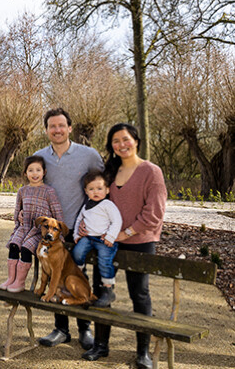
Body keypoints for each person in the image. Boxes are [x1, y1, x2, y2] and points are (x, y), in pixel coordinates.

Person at [81, 123, 167, 369]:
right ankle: (101, 344)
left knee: (139, 294)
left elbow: (154, 214)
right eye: (115, 141)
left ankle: (143, 353)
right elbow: (96, 203)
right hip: (107, 243)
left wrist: (125, 233)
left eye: (125, 139)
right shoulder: (109, 173)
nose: (121, 145)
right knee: (101, 291)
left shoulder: (151, 172)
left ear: (136, 141)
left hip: (140, 242)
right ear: (112, 147)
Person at [33, 108, 104, 350]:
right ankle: (61, 329)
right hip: (53, 234)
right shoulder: (39, 158)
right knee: (56, 276)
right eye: (52, 126)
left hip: (80, 230)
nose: (57, 130)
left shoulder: (89, 155)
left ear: (70, 128)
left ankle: (85, 329)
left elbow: (103, 187)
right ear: (46, 130)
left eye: (61, 125)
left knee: (78, 277)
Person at [0, 156, 64, 293]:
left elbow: (57, 213)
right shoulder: (22, 191)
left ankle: (20, 282)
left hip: (38, 232)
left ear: (44, 172)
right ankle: (11, 278)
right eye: (30, 170)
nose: (34, 174)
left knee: (25, 249)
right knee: (13, 245)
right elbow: (18, 210)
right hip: (24, 227)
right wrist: (17, 223)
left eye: (38, 170)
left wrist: (60, 235)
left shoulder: (49, 191)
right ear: (25, 173)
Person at [72, 169, 123, 308]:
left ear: (107, 190)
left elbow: (117, 221)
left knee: (104, 261)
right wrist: (77, 235)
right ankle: (81, 277)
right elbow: (78, 221)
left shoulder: (108, 205)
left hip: (103, 239)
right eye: (91, 189)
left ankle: (108, 290)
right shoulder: (87, 205)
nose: (95, 192)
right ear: (86, 191)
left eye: (99, 188)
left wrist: (111, 236)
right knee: (77, 252)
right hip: (88, 237)